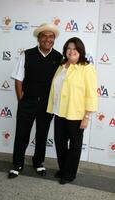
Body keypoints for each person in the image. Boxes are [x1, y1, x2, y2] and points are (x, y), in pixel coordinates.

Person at [8, 23, 62, 179]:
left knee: (42, 135)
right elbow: (18, 79)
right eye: (44, 36)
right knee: (21, 135)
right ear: (39, 38)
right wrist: (21, 100)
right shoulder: (27, 54)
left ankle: (38, 163)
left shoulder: (59, 57)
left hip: (47, 104)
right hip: (28, 102)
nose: (47, 39)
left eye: (51, 36)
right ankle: (17, 164)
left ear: (54, 40)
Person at [47, 37, 97, 184]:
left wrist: (87, 116)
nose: (71, 51)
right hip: (59, 112)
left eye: (75, 49)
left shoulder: (87, 68)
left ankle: (69, 174)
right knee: (60, 144)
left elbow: (91, 94)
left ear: (80, 51)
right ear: (65, 51)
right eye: (69, 48)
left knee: (74, 146)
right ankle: (63, 169)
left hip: (76, 114)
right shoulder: (62, 67)